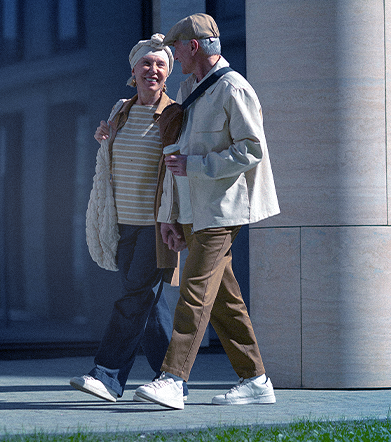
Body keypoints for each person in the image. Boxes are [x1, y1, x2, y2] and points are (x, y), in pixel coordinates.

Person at [134, 13, 281, 410]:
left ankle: (172, 378)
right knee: (222, 299)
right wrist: (171, 213)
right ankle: (256, 380)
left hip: (222, 210)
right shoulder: (188, 88)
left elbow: (252, 149)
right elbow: (174, 157)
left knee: (195, 291)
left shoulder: (234, 89)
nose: (173, 58)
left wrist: (198, 166)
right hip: (194, 211)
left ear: (193, 47)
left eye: (176, 50)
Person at [70, 34, 182, 402]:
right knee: (148, 303)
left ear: (168, 73)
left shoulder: (173, 113)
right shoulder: (121, 108)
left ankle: (106, 376)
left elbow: (179, 172)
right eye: (146, 63)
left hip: (156, 225)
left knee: (135, 298)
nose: (153, 70)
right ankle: (174, 377)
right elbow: (111, 156)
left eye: (160, 64)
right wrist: (103, 134)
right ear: (134, 70)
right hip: (122, 223)